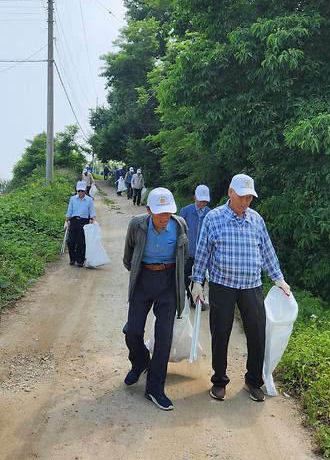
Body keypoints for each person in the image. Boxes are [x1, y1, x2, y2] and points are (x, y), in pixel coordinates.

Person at [190, 174, 291, 403]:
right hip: (222, 284)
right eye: (242, 197)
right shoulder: (214, 218)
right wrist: (197, 281)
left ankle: (253, 382)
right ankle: (219, 381)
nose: (245, 202)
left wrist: (279, 279)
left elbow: (267, 251)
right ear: (230, 192)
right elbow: (203, 251)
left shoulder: (256, 220)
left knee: (257, 333)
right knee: (221, 332)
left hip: (251, 285)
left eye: (249, 198)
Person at [122, 187, 188, 411]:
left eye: (168, 213)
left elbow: (183, 256)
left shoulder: (179, 225)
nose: (164, 218)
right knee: (132, 331)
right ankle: (140, 362)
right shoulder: (137, 225)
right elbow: (128, 256)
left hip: (168, 283)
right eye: (160, 213)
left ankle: (155, 387)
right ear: (149, 210)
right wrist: (141, 271)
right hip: (143, 279)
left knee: (164, 337)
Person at [178, 184, 212, 310]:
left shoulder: (210, 214)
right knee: (184, 277)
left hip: (203, 254)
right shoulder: (186, 211)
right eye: (200, 200)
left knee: (200, 280)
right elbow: (178, 229)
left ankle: (197, 301)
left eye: (204, 201)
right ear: (194, 198)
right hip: (188, 252)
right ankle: (183, 298)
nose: (202, 203)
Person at [64, 181, 96, 267]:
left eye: (82, 191)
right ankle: (72, 258)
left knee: (81, 242)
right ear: (77, 191)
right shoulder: (73, 199)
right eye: (79, 191)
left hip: (84, 222)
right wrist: (66, 221)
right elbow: (69, 211)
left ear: (85, 190)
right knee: (71, 241)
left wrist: (93, 221)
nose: (80, 193)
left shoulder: (89, 200)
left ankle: (80, 260)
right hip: (74, 221)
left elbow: (92, 213)